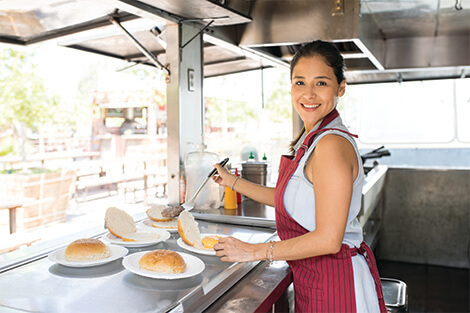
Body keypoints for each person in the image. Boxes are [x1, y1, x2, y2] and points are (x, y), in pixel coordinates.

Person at [212, 40, 387, 313]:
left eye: (321, 83)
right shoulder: (312, 138)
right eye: (300, 83)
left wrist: (256, 251)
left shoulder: (330, 144)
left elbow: (328, 239)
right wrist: (232, 181)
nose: (309, 94)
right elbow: (290, 198)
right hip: (316, 281)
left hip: (336, 284)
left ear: (340, 88)